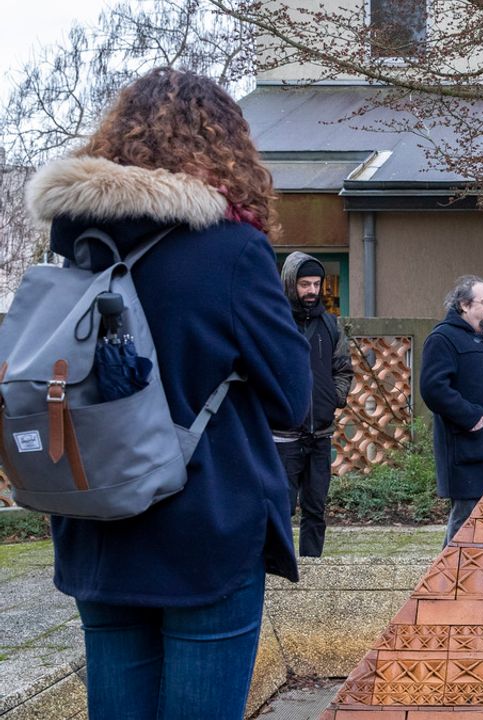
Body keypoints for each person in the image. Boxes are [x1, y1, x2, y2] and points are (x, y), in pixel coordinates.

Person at [24, 68, 311, 719]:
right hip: (205, 527)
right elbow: (293, 395)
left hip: (96, 523)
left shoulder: (78, 249)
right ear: (226, 146)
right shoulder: (233, 252)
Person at [420, 275, 483, 544]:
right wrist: (470, 416)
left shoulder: (479, 339)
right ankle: (449, 571)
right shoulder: (443, 338)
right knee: (466, 520)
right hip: (465, 448)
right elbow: (433, 388)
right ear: (463, 304)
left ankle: (472, 571)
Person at [273, 252, 353, 558]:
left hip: (320, 434)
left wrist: (334, 398)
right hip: (283, 435)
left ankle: (311, 564)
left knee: (316, 509)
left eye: (316, 284)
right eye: (305, 284)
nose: (312, 290)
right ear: (290, 284)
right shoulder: (275, 323)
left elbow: (343, 369)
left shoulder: (330, 325)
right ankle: (279, 567)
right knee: (281, 507)